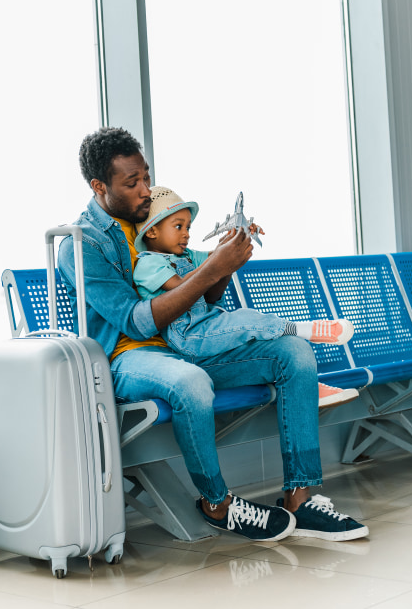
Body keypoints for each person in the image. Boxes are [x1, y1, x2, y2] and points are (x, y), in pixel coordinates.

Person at [58, 127, 369, 543]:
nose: (145, 190)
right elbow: (136, 322)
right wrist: (211, 267)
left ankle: (300, 497)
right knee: (191, 382)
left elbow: (205, 291)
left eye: (146, 177)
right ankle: (217, 504)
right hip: (132, 357)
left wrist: (224, 262)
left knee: (293, 353)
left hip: (190, 341)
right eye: (132, 184)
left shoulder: (154, 219)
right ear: (99, 186)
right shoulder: (82, 244)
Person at [132, 185, 358, 410]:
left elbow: (220, 258)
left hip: (208, 326)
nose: (186, 234)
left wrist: (240, 236)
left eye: (188, 227)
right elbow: (181, 288)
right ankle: (306, 329)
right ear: (152, 231)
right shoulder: (147, 263)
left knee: (272, 343)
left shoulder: (188, 255)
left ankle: (309, 386)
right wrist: (218, 261)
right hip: (189, 336)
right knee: (247, 319)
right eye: (179, 226)